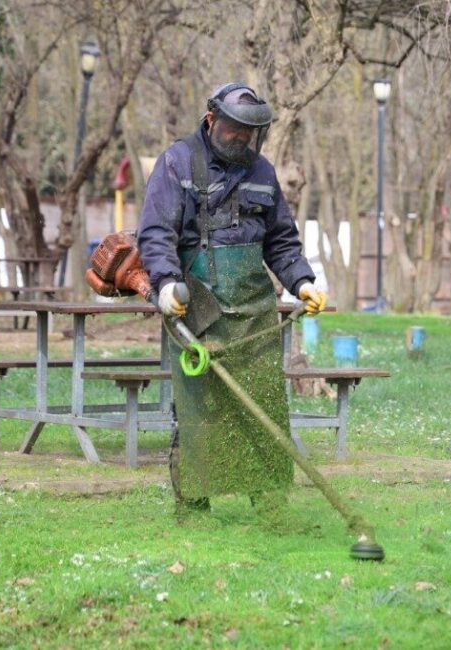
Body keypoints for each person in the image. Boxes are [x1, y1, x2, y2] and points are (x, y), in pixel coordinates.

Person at [137, 82, 327, 510]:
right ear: (212, 121)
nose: (243, 138)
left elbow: (281, 242)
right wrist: (166, 283)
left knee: (261, 405)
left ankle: (270, 506)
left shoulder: (263, 173)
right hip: (196, 307)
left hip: (254, 311)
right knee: (200, 410)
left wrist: (302, 282)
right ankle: (194, 504)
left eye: (250, 132)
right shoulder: (177, 162)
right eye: (235, 129)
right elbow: (156, 233)